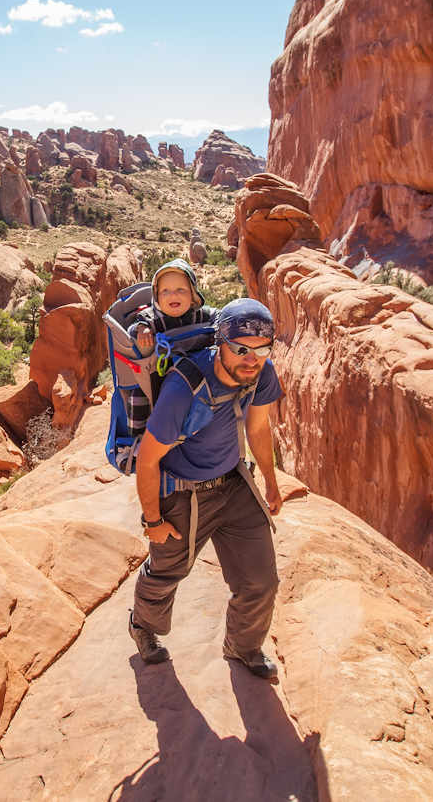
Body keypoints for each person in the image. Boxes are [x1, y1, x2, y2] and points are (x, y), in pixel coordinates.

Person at [128, 297, 284, 679]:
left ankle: (243, 647)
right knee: (167, 572)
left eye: (262, 349)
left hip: (233, 485)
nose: (252, 358)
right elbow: (148, 459)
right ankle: (143, 628)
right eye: (241, 349)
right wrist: (153, 520)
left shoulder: (261, 374)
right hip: (184, 493)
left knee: (261, 582)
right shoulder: (186, 386)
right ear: (221, 344)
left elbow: (258, 428)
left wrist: (271, 480)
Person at [124, 260, 218, 441]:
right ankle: (138, 439)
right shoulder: (151, 318)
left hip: (198, 369)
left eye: (181, 290)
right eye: (165, 291)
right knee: (139, 395)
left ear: (193, 294)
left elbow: (221, 315)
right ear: (156, 297)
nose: (172, 295)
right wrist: (143, 330)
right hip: (161, 374)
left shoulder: (201, 314)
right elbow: (133, 328)